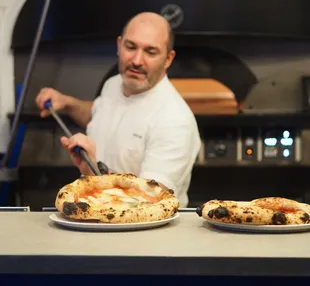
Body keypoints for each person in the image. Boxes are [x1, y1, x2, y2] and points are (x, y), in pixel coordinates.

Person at [35, 12, 201, 207]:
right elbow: (98, 114)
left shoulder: (174, 120)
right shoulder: (114, 84)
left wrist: (94, 173)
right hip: (100, 216)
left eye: (150, 52)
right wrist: (67, 102)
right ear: (119, 45)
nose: (137, 60)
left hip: (148, 233)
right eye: (131, 47)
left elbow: (150, 201)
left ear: (168, 59)